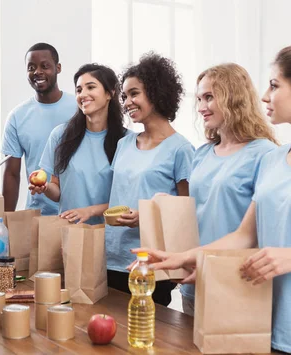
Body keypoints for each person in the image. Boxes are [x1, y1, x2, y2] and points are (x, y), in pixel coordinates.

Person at [132, 42, 291, 355]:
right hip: (265, 327)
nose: (264, 96)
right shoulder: (275, 161)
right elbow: (243, 235)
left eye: (274, 86)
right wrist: (180, 258)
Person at [179, 63, 278, 316]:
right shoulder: (201, 154)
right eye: (199, 98)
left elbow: (263, 228)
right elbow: (197, 212)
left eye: (209, 97)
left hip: (235, 281)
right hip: (194, 278)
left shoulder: (265, 154)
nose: (201, 107)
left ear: (234, 97)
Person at [106, 53, 195, 306]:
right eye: (124, 96)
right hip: (111, 258)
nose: (127, 102)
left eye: (134, 94)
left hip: (151, 263)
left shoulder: (181, 149)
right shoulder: (124, 144)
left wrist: (144, 218)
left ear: (156, 93)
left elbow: (185, 213)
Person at [30, 64, 128, 224]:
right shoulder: (60, 135)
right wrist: (45, 187)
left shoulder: (126, 141)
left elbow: (126, 200)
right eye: (79, 90)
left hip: (111, 236)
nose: (83, 94)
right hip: (71, 234)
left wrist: (90, 211)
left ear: (110, 93)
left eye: (91, 87)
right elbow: (58, 192)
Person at [2, 42, 76, 215]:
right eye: (31, 67)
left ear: (58, 68)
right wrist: (6, 218)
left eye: (45, 66)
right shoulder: (17, 116)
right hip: (38, 214)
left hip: (77, 212)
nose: (37, 72)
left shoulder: (79, 108)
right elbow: (11, 174)